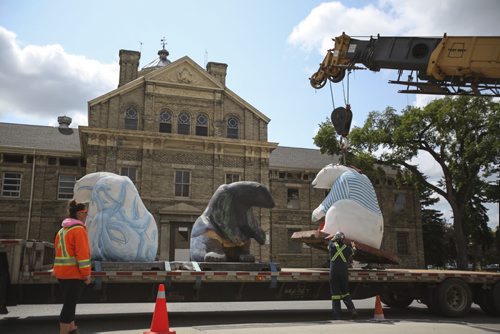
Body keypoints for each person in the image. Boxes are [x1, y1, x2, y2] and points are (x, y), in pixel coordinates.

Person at [53, 200, 92, 334]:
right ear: (80, 214)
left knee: (70, 302)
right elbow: (82, 255)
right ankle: (65, 331)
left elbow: (57, 251)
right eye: (85, 213)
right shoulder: (79, 230)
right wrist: (86, 274)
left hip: (62, 273)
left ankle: (71, 328)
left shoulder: (62, 230)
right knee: (69, 305)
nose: (87, 215)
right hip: (74, 274)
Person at [327, 231, 357, 320]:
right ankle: (352, 310)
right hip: (343, 272)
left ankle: (337, 315)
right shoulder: (346, 248)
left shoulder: (331, 246)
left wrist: (334, 236)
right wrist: (353, 244)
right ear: (343, 239)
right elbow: (354, 252)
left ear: (336, 238)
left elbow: (330, 241)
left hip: (334, 273)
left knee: (335, 295)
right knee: (345, 293)